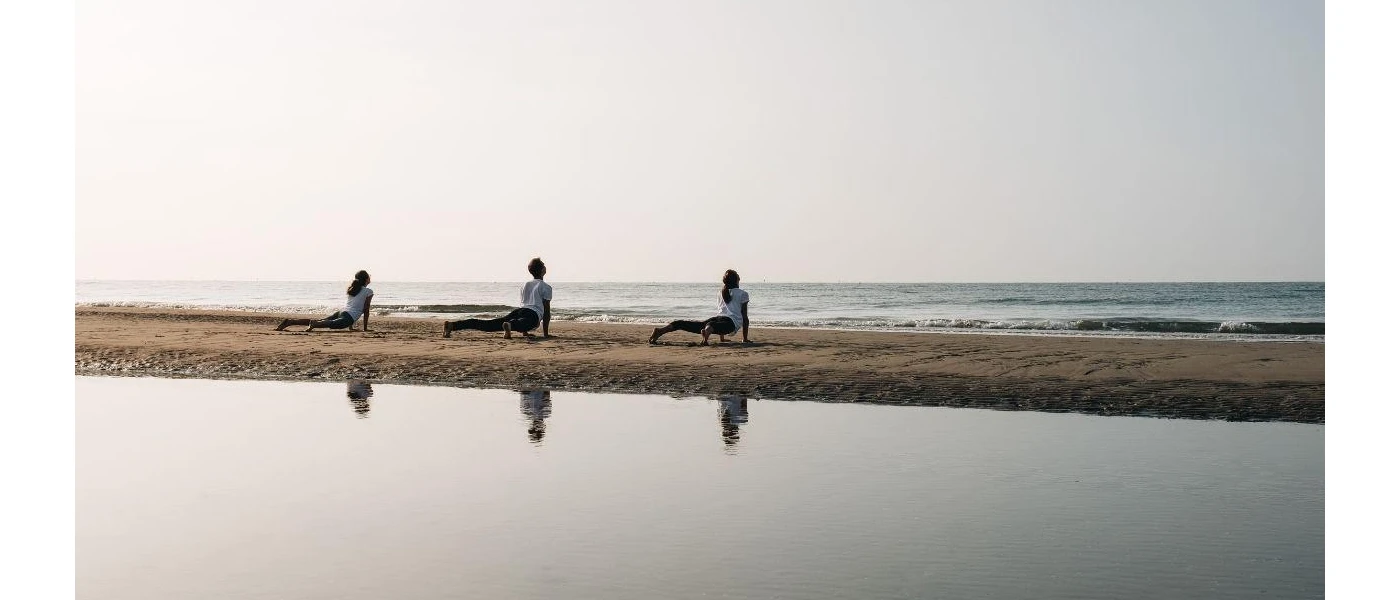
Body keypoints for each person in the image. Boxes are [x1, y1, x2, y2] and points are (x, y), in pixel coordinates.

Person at [443, 258, 552, 339]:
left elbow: (525, 304)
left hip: (519, 311)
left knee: (488, 324)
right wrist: (546, 334)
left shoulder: (525, 285)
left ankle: (452, 326)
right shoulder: (545, 287)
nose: (545, 266)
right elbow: (546, 312)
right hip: (533, 314)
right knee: (526, 322)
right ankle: (510, 325)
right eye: (543, 264)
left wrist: (525, 332)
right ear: (542, 270)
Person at [649, 269, 750, 345]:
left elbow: (723, 312)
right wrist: (745, 339)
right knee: (712, 325)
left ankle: (660, 330)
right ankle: (706, 333)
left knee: (684, 324)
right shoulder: (743, 294)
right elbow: (744, 318)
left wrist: (722, 339)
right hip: (730, 324)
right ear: (736, 281)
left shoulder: (721, 293)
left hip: (718, 319)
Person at [275, 270, 374, 332]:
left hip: (342, 312)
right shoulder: (368, 291)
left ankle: (290, 322)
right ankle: (314, 324)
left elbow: (354, 306)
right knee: (327, 324)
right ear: (366, 279)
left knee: (322, 321)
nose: (370, 278)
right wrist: (365, 328)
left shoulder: (354, 288)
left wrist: (351, 327)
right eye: (369, 276)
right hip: (348, 317)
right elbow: (366, 309)